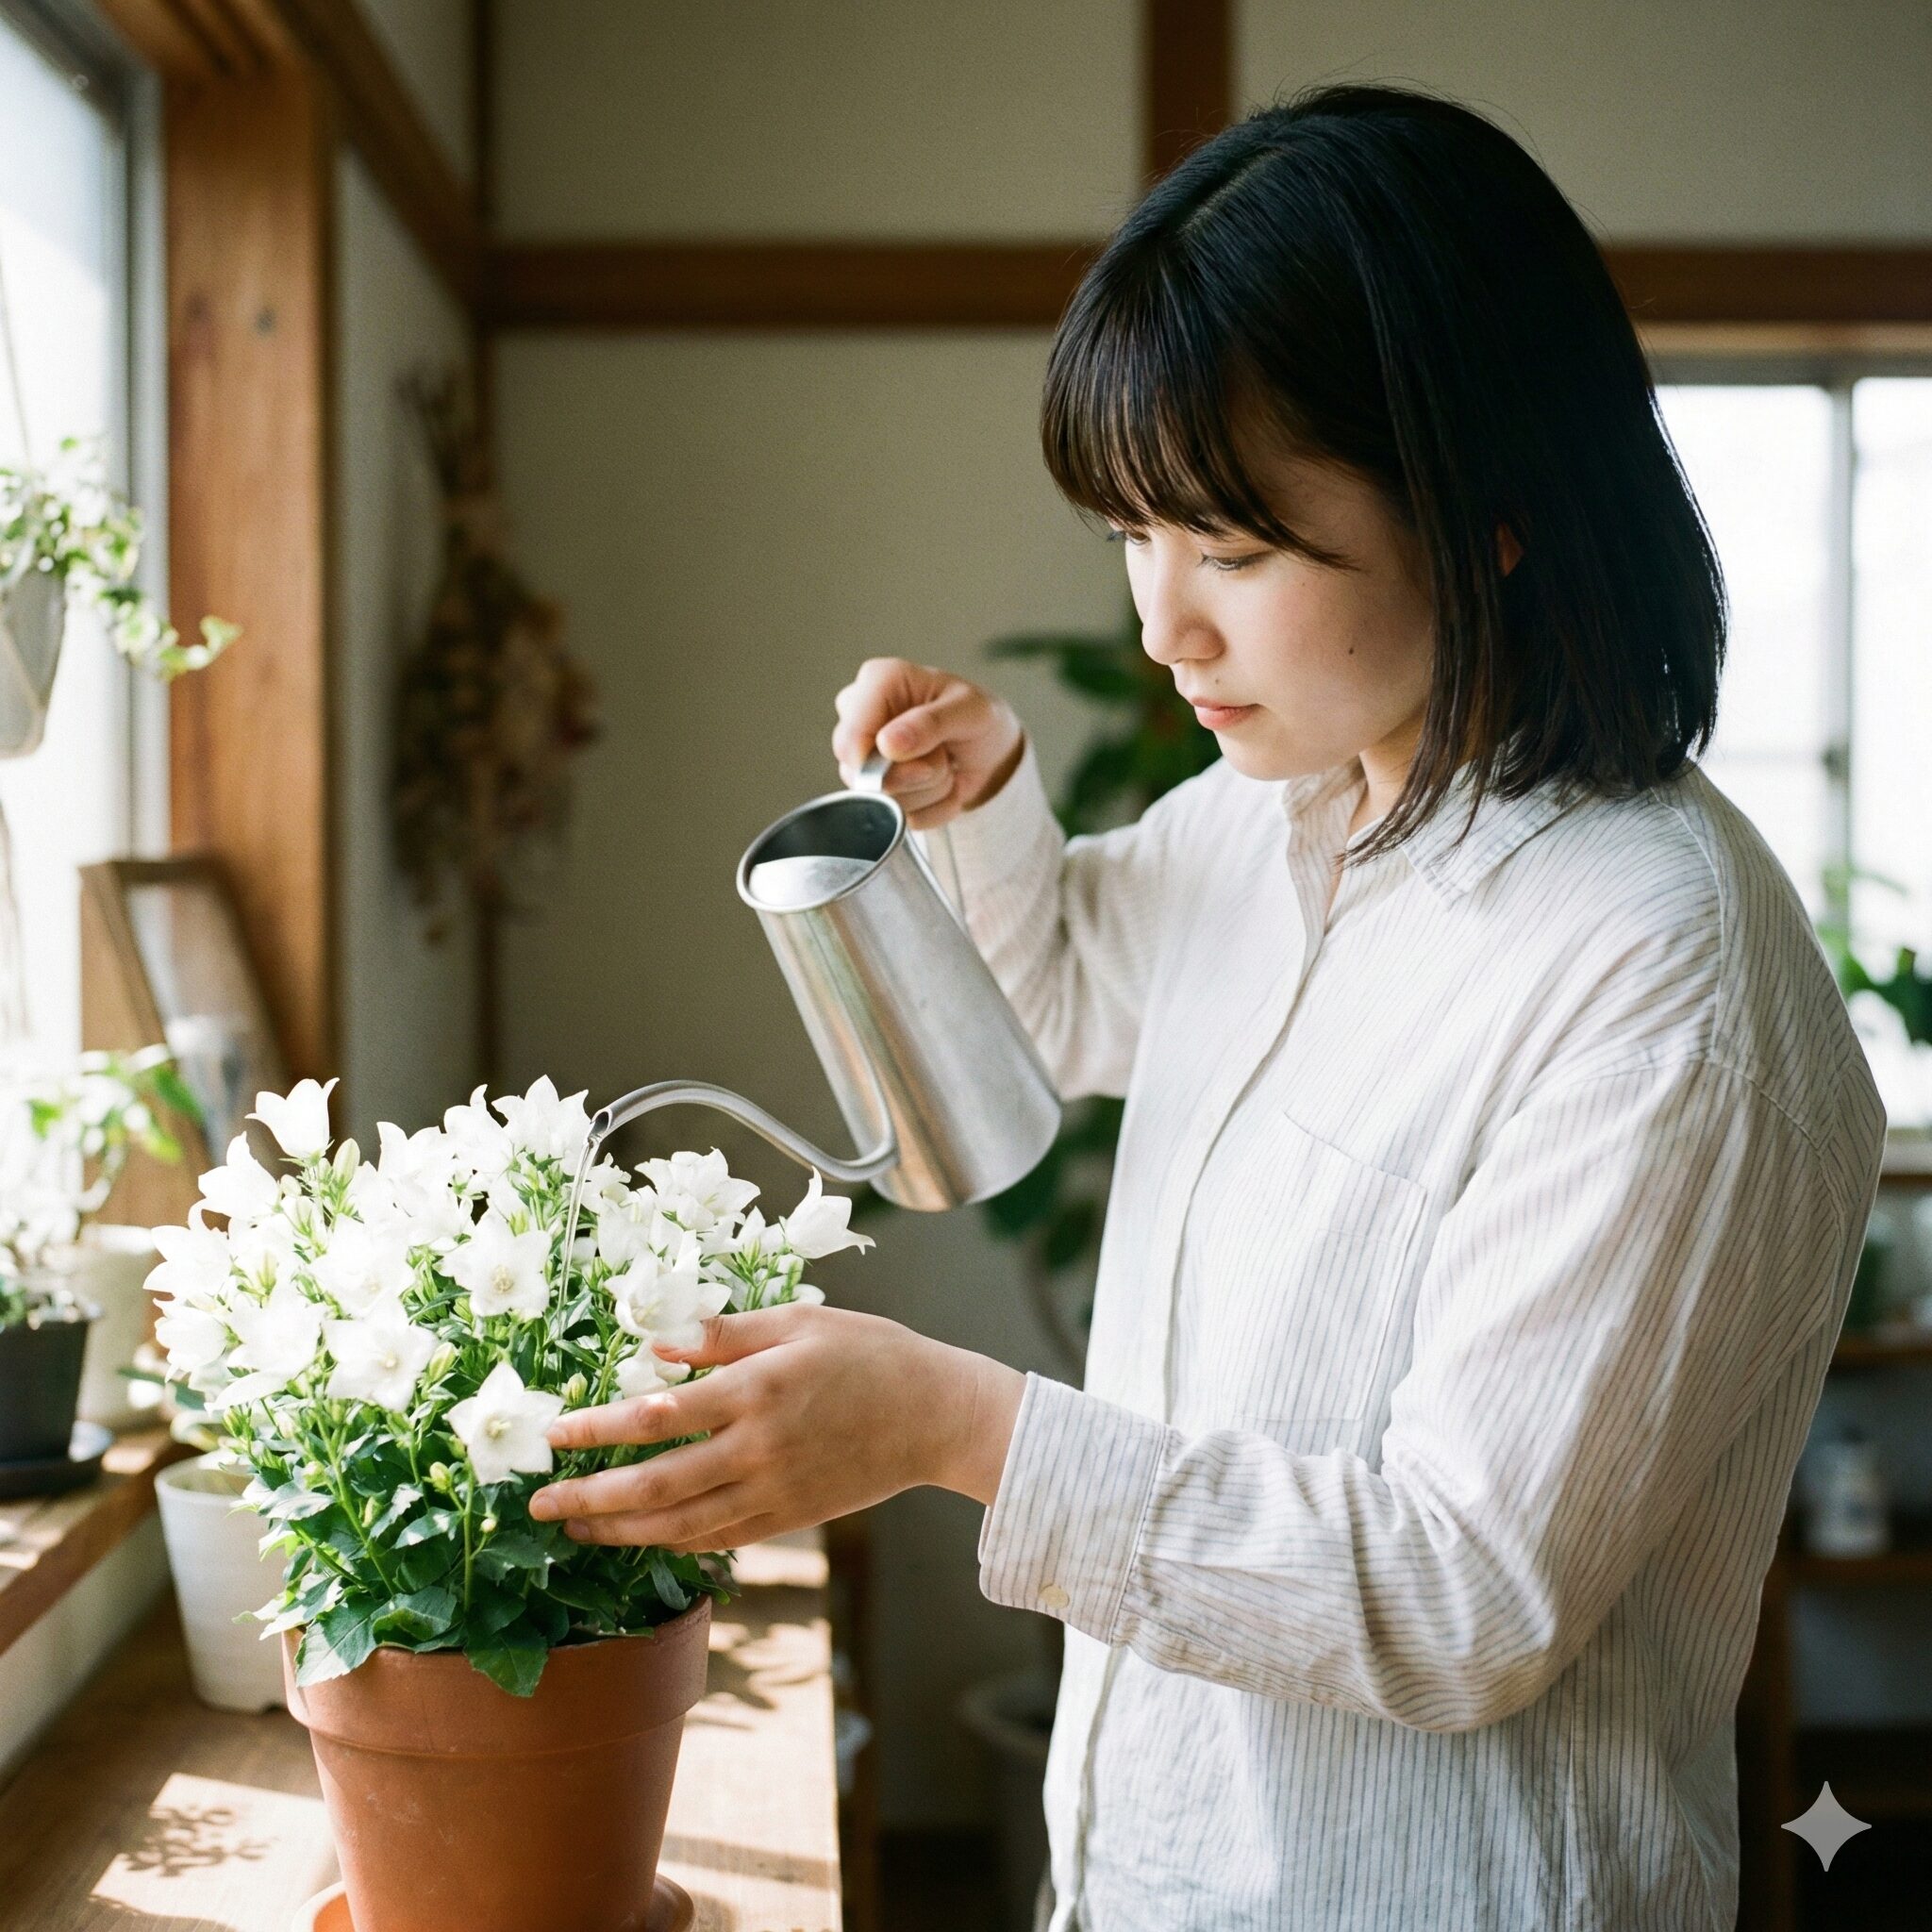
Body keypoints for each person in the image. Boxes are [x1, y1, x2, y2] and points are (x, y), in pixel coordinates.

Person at [531, 85, 1884, 1930]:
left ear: (1487, 510)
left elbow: (1461, 1590)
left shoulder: (1660, 976)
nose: (1165, 626)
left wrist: (956, 1425)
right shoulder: (1282, 805)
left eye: (1231, 551)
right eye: (1130, 535)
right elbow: (1067, 1017)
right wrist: (988, 811)